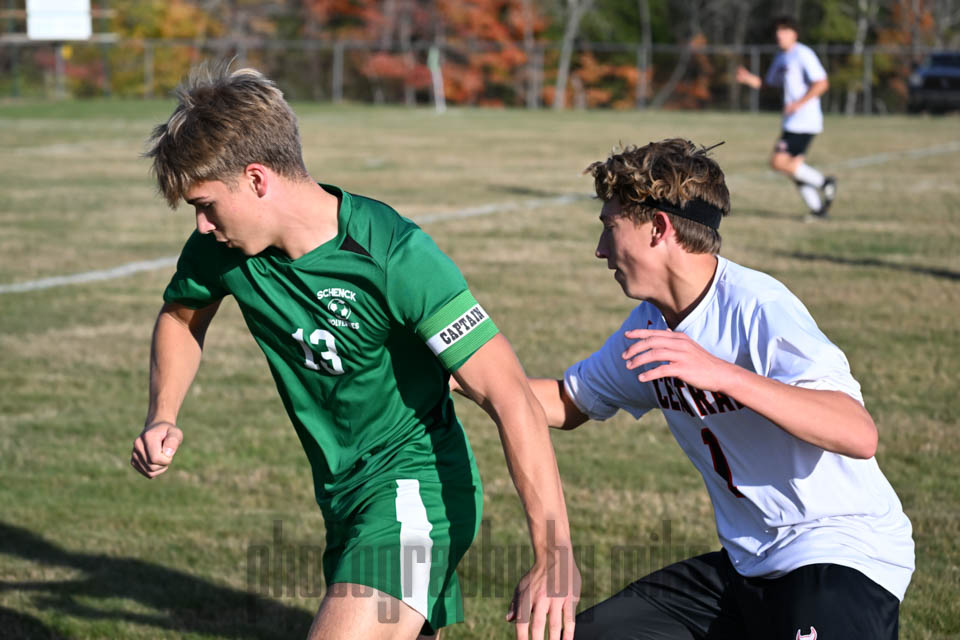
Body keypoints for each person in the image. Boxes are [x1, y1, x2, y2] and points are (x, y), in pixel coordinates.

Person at [129, 64, 579, 640]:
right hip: (343, 498)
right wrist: (162, 414)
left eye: (207, 204)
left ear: (257, 179)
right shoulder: (222, 249)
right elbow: (181, 315)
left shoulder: (393, 255)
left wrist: (554, 556)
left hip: (414, 494)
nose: (201, 225)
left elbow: (510, 396)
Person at [468, 139, 914, 638]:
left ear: (659, 228)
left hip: (839, 553)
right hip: (745, 566)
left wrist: (721, 374)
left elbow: (857, 433)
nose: (600, 250)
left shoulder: (758, 307)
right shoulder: (650, 324)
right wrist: (456, 371)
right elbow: (567, 402)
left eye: (610, 227)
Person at [737, 16, 837, 219]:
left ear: (794, 34)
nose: (779, 35)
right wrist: (749, 79)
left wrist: (798, 104)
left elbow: (822, 83)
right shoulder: (781, 57)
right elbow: (769, 85)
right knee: (792, 168)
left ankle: (825, 183)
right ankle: (818, 210)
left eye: (784, 30)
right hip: (792, 121)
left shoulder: (803, 54)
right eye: (777, 31)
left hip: (805, 120)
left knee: (778, 162)